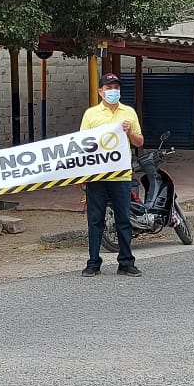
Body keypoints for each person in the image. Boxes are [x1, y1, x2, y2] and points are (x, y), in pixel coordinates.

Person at [79, 73, 144, 277]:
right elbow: (82, 146)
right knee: (95, 219)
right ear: (100, 91)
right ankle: (93, 262)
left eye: (116, 87)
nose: (113, 91)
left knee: (123, 219)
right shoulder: (91, 114)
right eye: (109, 88)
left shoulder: (129, 112)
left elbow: (139, 142)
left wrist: (130, 132)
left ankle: (126, 262)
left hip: (121, 176)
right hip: (97, 176)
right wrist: (81, 176)